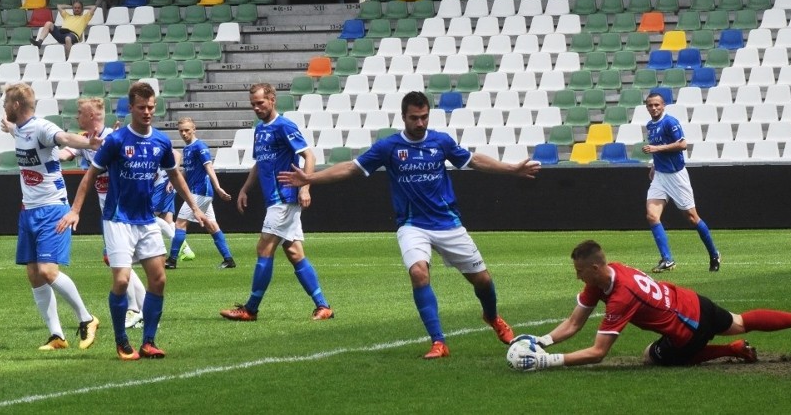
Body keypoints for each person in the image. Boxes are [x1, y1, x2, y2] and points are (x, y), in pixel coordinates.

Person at [278, 91, 540, 359]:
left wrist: (511, 170)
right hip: (412, 224)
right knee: (418, 273)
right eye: (414, 118)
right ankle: (439, 342)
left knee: (482, 280)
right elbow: (351, 168)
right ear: (403, 117)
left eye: (424, 117)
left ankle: (492, 317)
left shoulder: (441, 141)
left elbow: (473, 160)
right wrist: (311, 178)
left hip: (447, 222)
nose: (420, 123)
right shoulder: (389, 147)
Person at [508, 240, 791, 371]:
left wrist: (546, 362)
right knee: (741, 320)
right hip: (695, 302)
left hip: (688, 330)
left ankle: (731, 350)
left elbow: (598, 352)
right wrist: (540, 341)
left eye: (579, 272)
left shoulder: (621, 294)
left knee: (650, 355)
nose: (577, 277)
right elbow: (574, 322)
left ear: (593, 269)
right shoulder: (611, 272)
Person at [56, 82, 209, 360]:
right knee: (122, 281)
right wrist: (75, 210)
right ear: (131, 108)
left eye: (151, 107)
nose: (148, 112)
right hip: (117, 219)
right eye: (142, 107)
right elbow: (90, 176)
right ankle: (121, 341)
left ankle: (148, 342)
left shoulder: (161, 141)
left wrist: (195, 208)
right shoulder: (116, 141)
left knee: (159, 279)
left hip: (146, 219)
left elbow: (175, 176)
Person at [219, 83, 334, 323]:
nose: (256, 108)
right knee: (294, 252)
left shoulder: (284, 126)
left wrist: (305, 187)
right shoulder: (260, 130)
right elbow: (260, 163)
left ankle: (250, 309)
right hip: (276, 200)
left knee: (263, 249)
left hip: (284, 198)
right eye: (253, 104)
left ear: (272, 100)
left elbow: (309, 156)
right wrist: (244, 189)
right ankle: (323, 306)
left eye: (260, 102)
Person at [1, 83, 101, 352]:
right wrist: (7, 127)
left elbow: (65, 138)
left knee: (48, 271)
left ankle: (87, 318)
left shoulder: (42, 127)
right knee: (34, 274)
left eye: (5, 103)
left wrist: (89, 142)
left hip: (52, 208)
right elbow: (15, 130)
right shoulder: (19, 129)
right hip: (29, 210)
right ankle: (57, 335)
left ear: (16, 106)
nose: (4, 107)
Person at [641, 92, 720, 273]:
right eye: (650, 105)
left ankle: (714, 253)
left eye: (656, 105)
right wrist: (654, 164)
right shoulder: (650, 126)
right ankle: (667, 259)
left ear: (663, 106)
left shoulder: (670, 122)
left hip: (676, 176)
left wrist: (656, 149)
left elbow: (683, 144)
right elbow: (659, 149)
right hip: (660, 176)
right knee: (652, 216)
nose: (653, 108)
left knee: (692, 218)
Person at [165, 117, 235, 269]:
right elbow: (186, 170)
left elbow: (209, 167)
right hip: (200, 193)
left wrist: (218, 187)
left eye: (187, 130)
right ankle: (229, 259)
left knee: (180, 223)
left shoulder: (200, 146)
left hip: (200, 192)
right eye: (181, 131)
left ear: (194, 129)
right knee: (212, 226)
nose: (184, 134)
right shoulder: (187, 148)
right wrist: (173, 180)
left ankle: (172, 260)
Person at [30, 1, 97, 59]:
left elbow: (94, 7)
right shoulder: (67, 16)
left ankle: (67, 58)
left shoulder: (85, 18)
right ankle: (39, 42)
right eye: (75, 8)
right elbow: (59, 6)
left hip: (73, 35)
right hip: (61, 33)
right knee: (48, 23)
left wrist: (83, 7)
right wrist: (71, 6)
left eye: (78, 8)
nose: (76, 9)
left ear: (81, 9)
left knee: (68, 38)